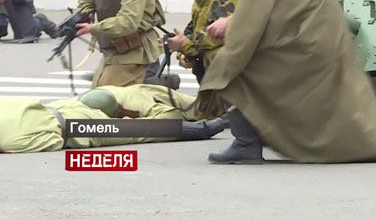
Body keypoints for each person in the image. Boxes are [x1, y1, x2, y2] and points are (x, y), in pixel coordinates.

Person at [200, 0, 376, 164]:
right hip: (320, 44)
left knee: (235, 69)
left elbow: (244, 34)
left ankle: (246, 144)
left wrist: (217, 73)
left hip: (306, 49)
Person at [0, 85, 226, 153]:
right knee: (136, 127)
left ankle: (210, 125)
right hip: (68, 116)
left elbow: (51, 141)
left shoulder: (11, 141)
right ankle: (209, 124)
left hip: (70, 120)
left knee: (137, 129)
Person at [166, 0, 242, 84]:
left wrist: (185, 45)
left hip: (229, 73)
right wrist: (183, 53)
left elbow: (215, 35)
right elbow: (193, 30)